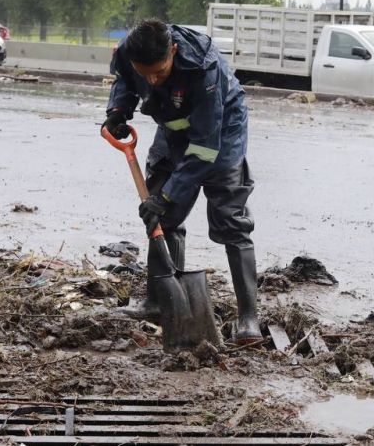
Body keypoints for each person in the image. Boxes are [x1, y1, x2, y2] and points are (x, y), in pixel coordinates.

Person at [103, 19, 260, 345]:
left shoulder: (204, 69)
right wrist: (119, 109)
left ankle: (249, 317)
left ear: (173, 50)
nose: (152, 79)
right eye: (144, 72)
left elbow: (204, 145)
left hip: (219, 135)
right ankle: (158, 301)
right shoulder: (129, 54)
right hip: (172, 131)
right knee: (160, 216)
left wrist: (171, 193)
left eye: (159, 72)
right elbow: (125, 82)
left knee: (230, 222)